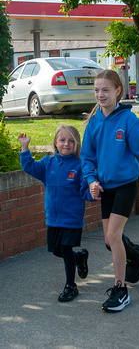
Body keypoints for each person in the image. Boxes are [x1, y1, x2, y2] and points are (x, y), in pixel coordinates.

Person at [81, 70, 139, 312]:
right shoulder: (94, 122)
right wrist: (91, 180)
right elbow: (87, 158)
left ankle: (121, 290)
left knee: (113, 237)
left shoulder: (128, 121)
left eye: (105, 90)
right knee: (108, 241)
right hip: (106, 188)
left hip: (126, 184)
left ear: (117, 91)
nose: (100, 94)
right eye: (96, 90)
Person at [18, 126, 94, 303]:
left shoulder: (81, 166)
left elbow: (85, 191)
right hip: (53, 218)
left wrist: (94, 192)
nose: (66, 144)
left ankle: (70, 286)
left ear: (77, 144)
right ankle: (79, 258)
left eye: (71, 141)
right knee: (57, 251)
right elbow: (29, 166)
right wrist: (24, 147)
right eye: (62, 140)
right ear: (55, 143)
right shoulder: (47, 164)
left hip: (72, 219)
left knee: (65, 249)